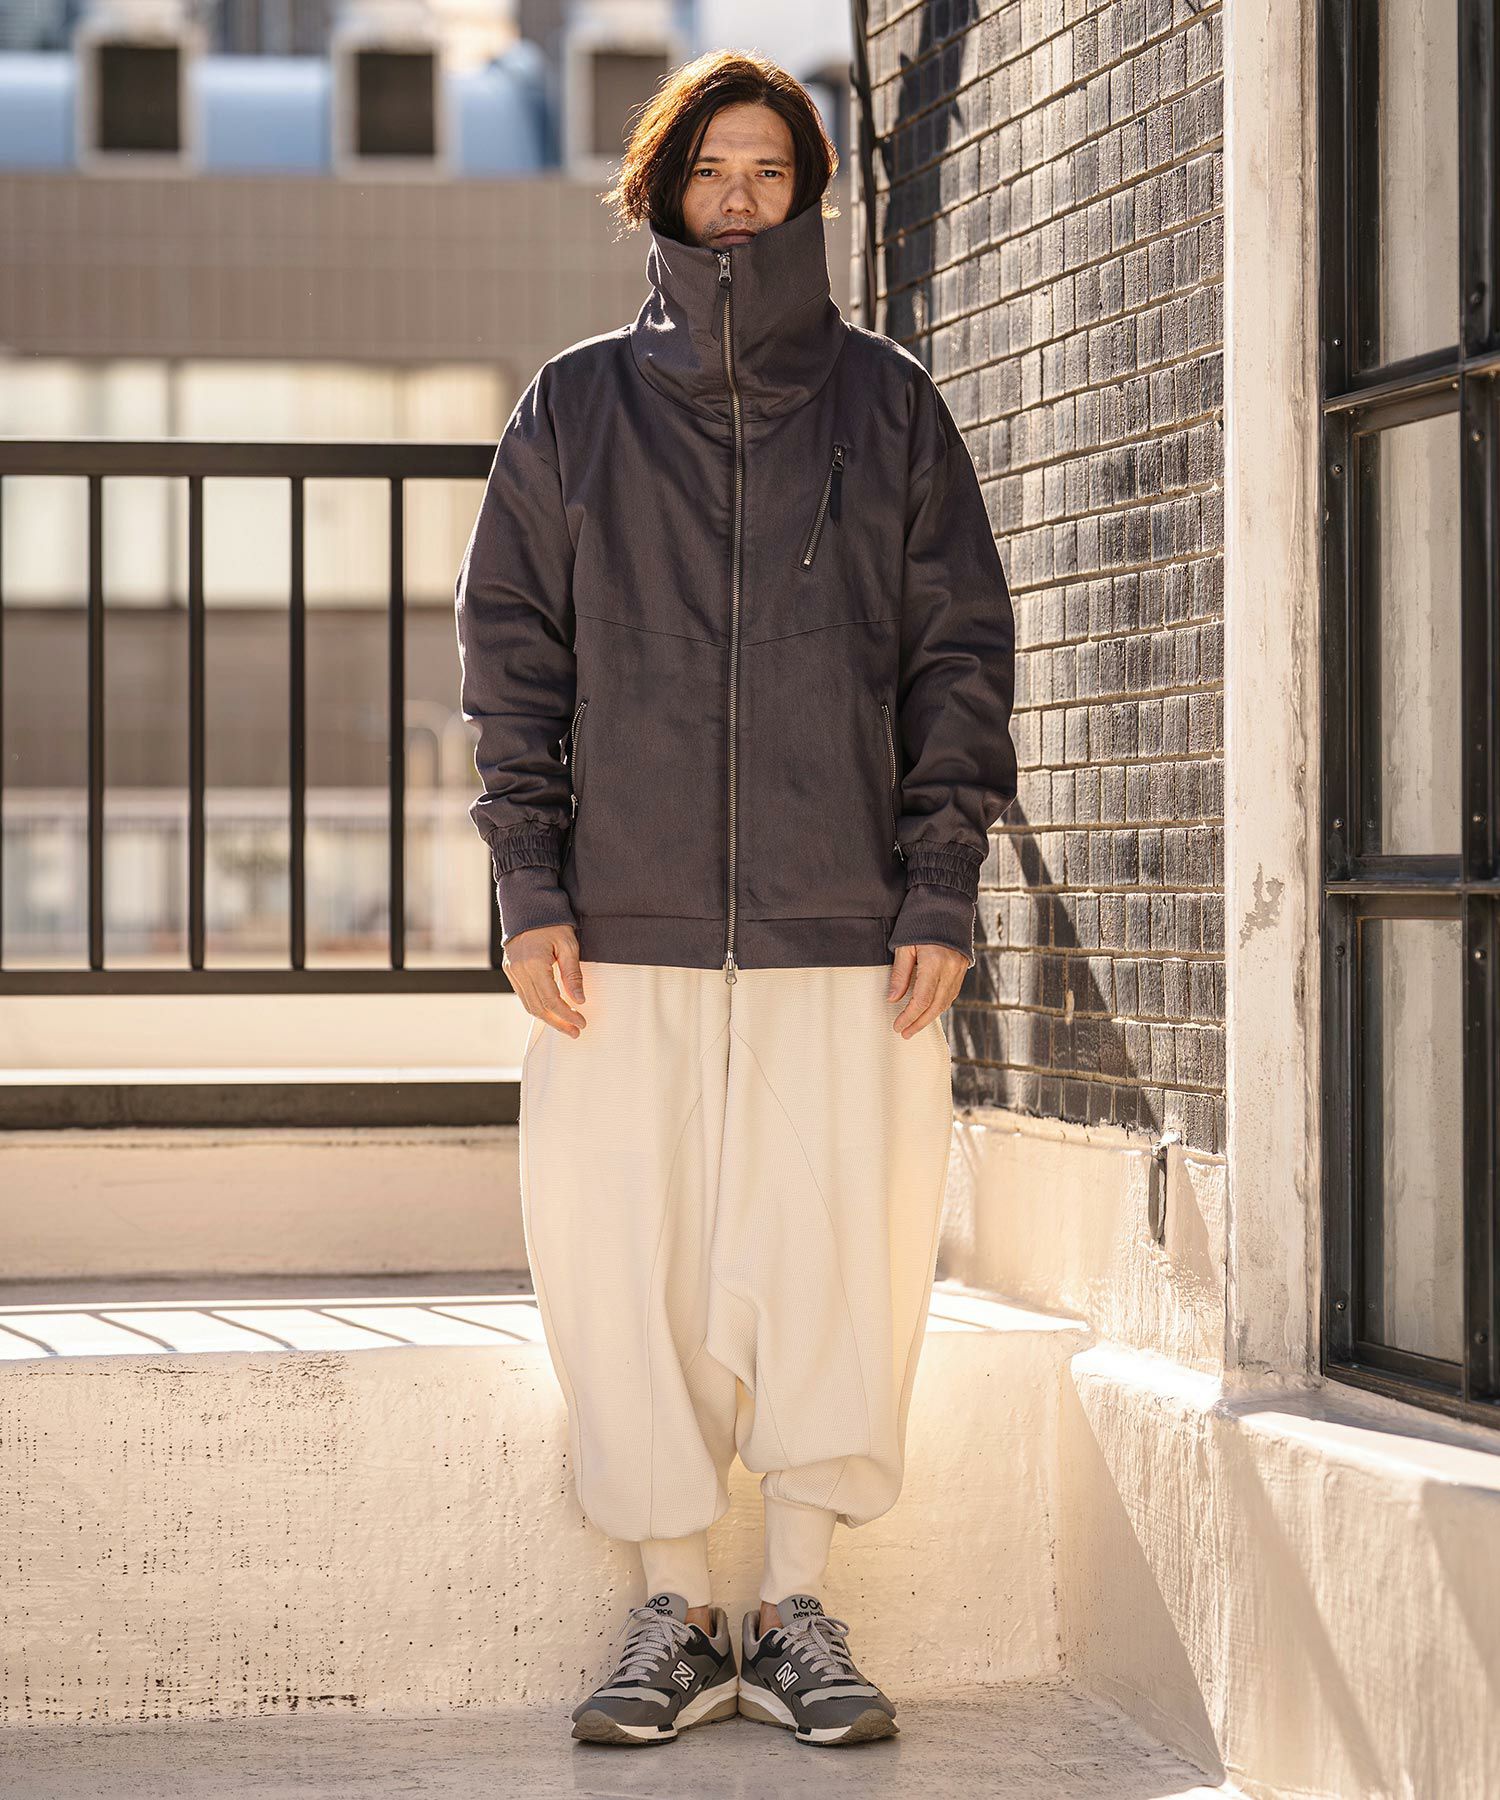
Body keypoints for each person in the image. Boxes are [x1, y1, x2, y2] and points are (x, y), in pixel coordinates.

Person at [454, 49, 1016, 1750]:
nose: (742, 199)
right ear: (663, 189)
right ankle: (671, 1610)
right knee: (624, 1259)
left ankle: (797, 1608)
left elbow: (958, 659)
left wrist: (938, 883)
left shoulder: (889, 406)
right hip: (616, 933)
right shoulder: (573, 410)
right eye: (714, 170)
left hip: (847, 927)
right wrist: (531, 881)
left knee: (838, 1255)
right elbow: (510, 665)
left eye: (772, 171)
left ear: (809, 197)